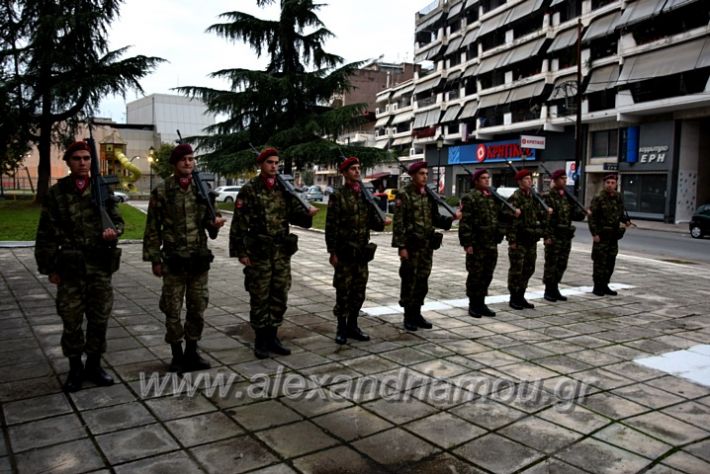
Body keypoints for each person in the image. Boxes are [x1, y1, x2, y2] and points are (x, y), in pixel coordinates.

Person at [35, 141, 124, 392]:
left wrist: (113, 232)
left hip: (99, 266)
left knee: (99, 319)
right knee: (71, 320)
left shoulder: (103, 189)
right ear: (68, 162)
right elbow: (45, 233)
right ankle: (75, 368)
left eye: (87, 158)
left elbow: (118, 222)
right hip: (70, 268)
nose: (83, 162)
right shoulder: (58, 193)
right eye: (77, 159)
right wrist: (49, 268)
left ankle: (94, 365)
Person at [143, 143, 225, 373]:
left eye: (191, 159)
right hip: (174, 260)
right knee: (172, 308)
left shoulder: (203, 189)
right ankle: (177, 355)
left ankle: (192, 351)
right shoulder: (162, 191)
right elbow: (152, 228)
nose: (188, 163)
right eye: (183, 160)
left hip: (198, 259)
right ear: (174, 164)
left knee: (197, 307)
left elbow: (211, 225)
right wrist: (155, 259)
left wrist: (215, 223)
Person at [230, 147, 318, 358]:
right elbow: (239, 224)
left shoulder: (284, 189)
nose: (274, 166)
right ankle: (260, 340)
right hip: (259, 252)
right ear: (261, 165)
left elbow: (296, 217)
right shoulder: (250, 190)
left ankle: (273, 336)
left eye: (277, 163)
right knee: (260, 296)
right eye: (270, 162)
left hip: (280, 252)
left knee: (279, 295)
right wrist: (241, 252)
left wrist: (308, 214)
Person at [326, 157, 391, 344]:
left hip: (362, 253)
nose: (357, 171)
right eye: (353, 169)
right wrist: (332, 252)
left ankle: (353, 326)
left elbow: (372, 221)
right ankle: (341, 327)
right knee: (343, 291)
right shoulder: (338, 196)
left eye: (358, 168)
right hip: (345, 253)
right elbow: (331, 226)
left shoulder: (364, 195)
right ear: (344, 173)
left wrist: (382, 223)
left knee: (359, 292)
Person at [392, 161, 461, 331]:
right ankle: (408, 316)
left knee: (422, 281)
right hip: (411, 246)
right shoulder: (404, 195)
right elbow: (398, 223)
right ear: (413, 175)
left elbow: (436, 218)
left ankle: (417, 313)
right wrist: (401, 247)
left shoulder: (428, 195)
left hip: (426, 247)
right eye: (421, 174)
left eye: (426, 174)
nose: (425, 177)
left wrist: (452, 218)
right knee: (410, 281)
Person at [459, 169, 504, 318]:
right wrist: (467, 243)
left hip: (491, 243)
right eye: (483, 178)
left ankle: (482, 303)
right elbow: (465, 223)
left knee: (487, 274)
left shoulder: (492, 197)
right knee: (475, 275)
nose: (487, 180)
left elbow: (500, 217)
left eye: (488, 178)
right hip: (477, 244)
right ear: (476, 181)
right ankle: (473, 304)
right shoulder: (470, 198)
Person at [542, 169, 588, 302]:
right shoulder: (548, 196)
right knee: (552, 263)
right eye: (562, 178)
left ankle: (555, 287)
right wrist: (547, 236)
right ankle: (548, 290)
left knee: (562, 263)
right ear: (555, 181)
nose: (564, 181)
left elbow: (575, 215)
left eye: (565, 179)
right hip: (554, 235)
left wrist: (582, 212)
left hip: (566, 236)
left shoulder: (567, 196)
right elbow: (545, 219)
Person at [507, 169, 547, 310]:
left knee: (529, 268)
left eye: (530, 179)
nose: (530, 181)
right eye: (526, 179)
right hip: (519, 240)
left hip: (531, 240)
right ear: (519, 182)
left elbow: (539, 217)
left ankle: (521, 295)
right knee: (517, 270)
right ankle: (514, 297)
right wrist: (512, 240)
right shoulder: (515, 198)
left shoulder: (533, 197)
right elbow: (509, 220)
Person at [589, 173, 631, 296]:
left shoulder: (618, 197)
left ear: (616, 184)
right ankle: (597, 286)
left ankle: (605, 284)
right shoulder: (598, 198)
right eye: (608, 183)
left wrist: (625, 220)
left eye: (613, 183)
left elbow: (621, 213)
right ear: (604, 184)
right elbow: (592, 217)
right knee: (599, 262)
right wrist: (594, 233)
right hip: (601, 235)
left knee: (610, 261)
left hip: (613, 235)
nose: (610, 185)